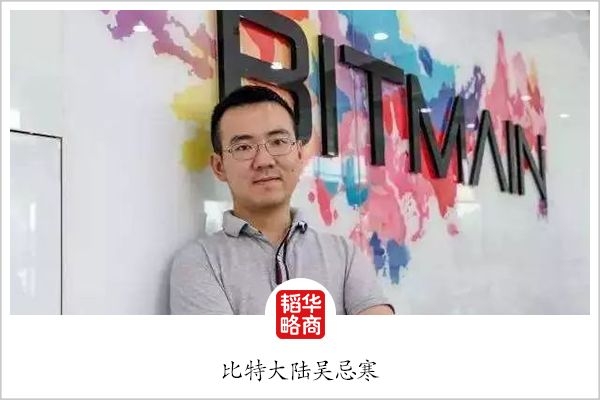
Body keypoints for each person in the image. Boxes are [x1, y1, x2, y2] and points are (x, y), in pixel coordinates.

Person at [170, 85, 394, 315]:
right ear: (219, 167)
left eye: (277, 142)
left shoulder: (344, 254)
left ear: (299, 154)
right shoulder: (200, 262)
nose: (264, 160)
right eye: (243, 147)